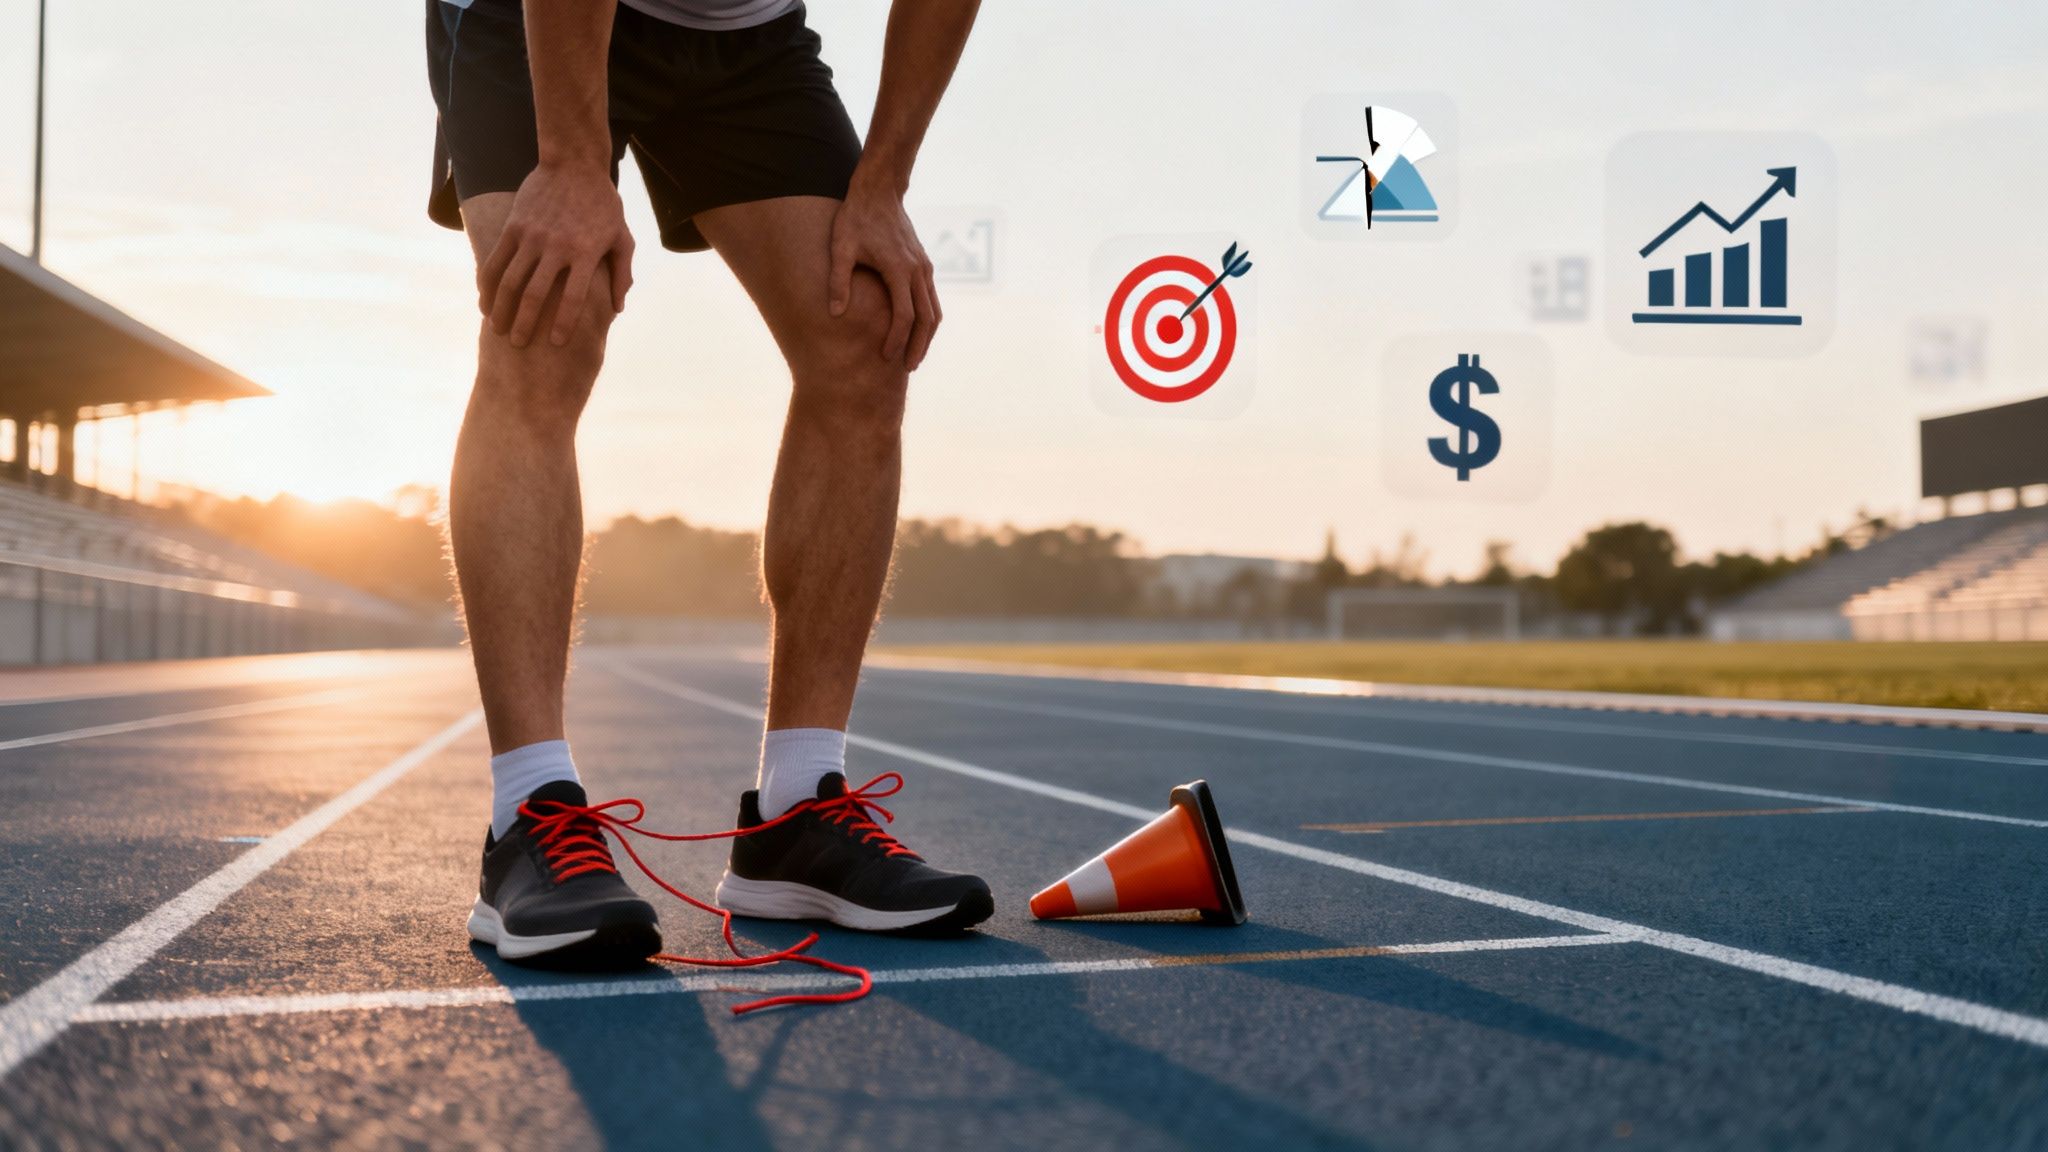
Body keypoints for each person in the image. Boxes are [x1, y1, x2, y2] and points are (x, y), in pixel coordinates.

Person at [425, 0, 989, 966]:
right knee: (552, 311)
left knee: (865, 329)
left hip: (745, 35)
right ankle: (529, 812)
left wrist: (882, 187)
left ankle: (796, 811)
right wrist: (570, 163)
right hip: (538, 19)